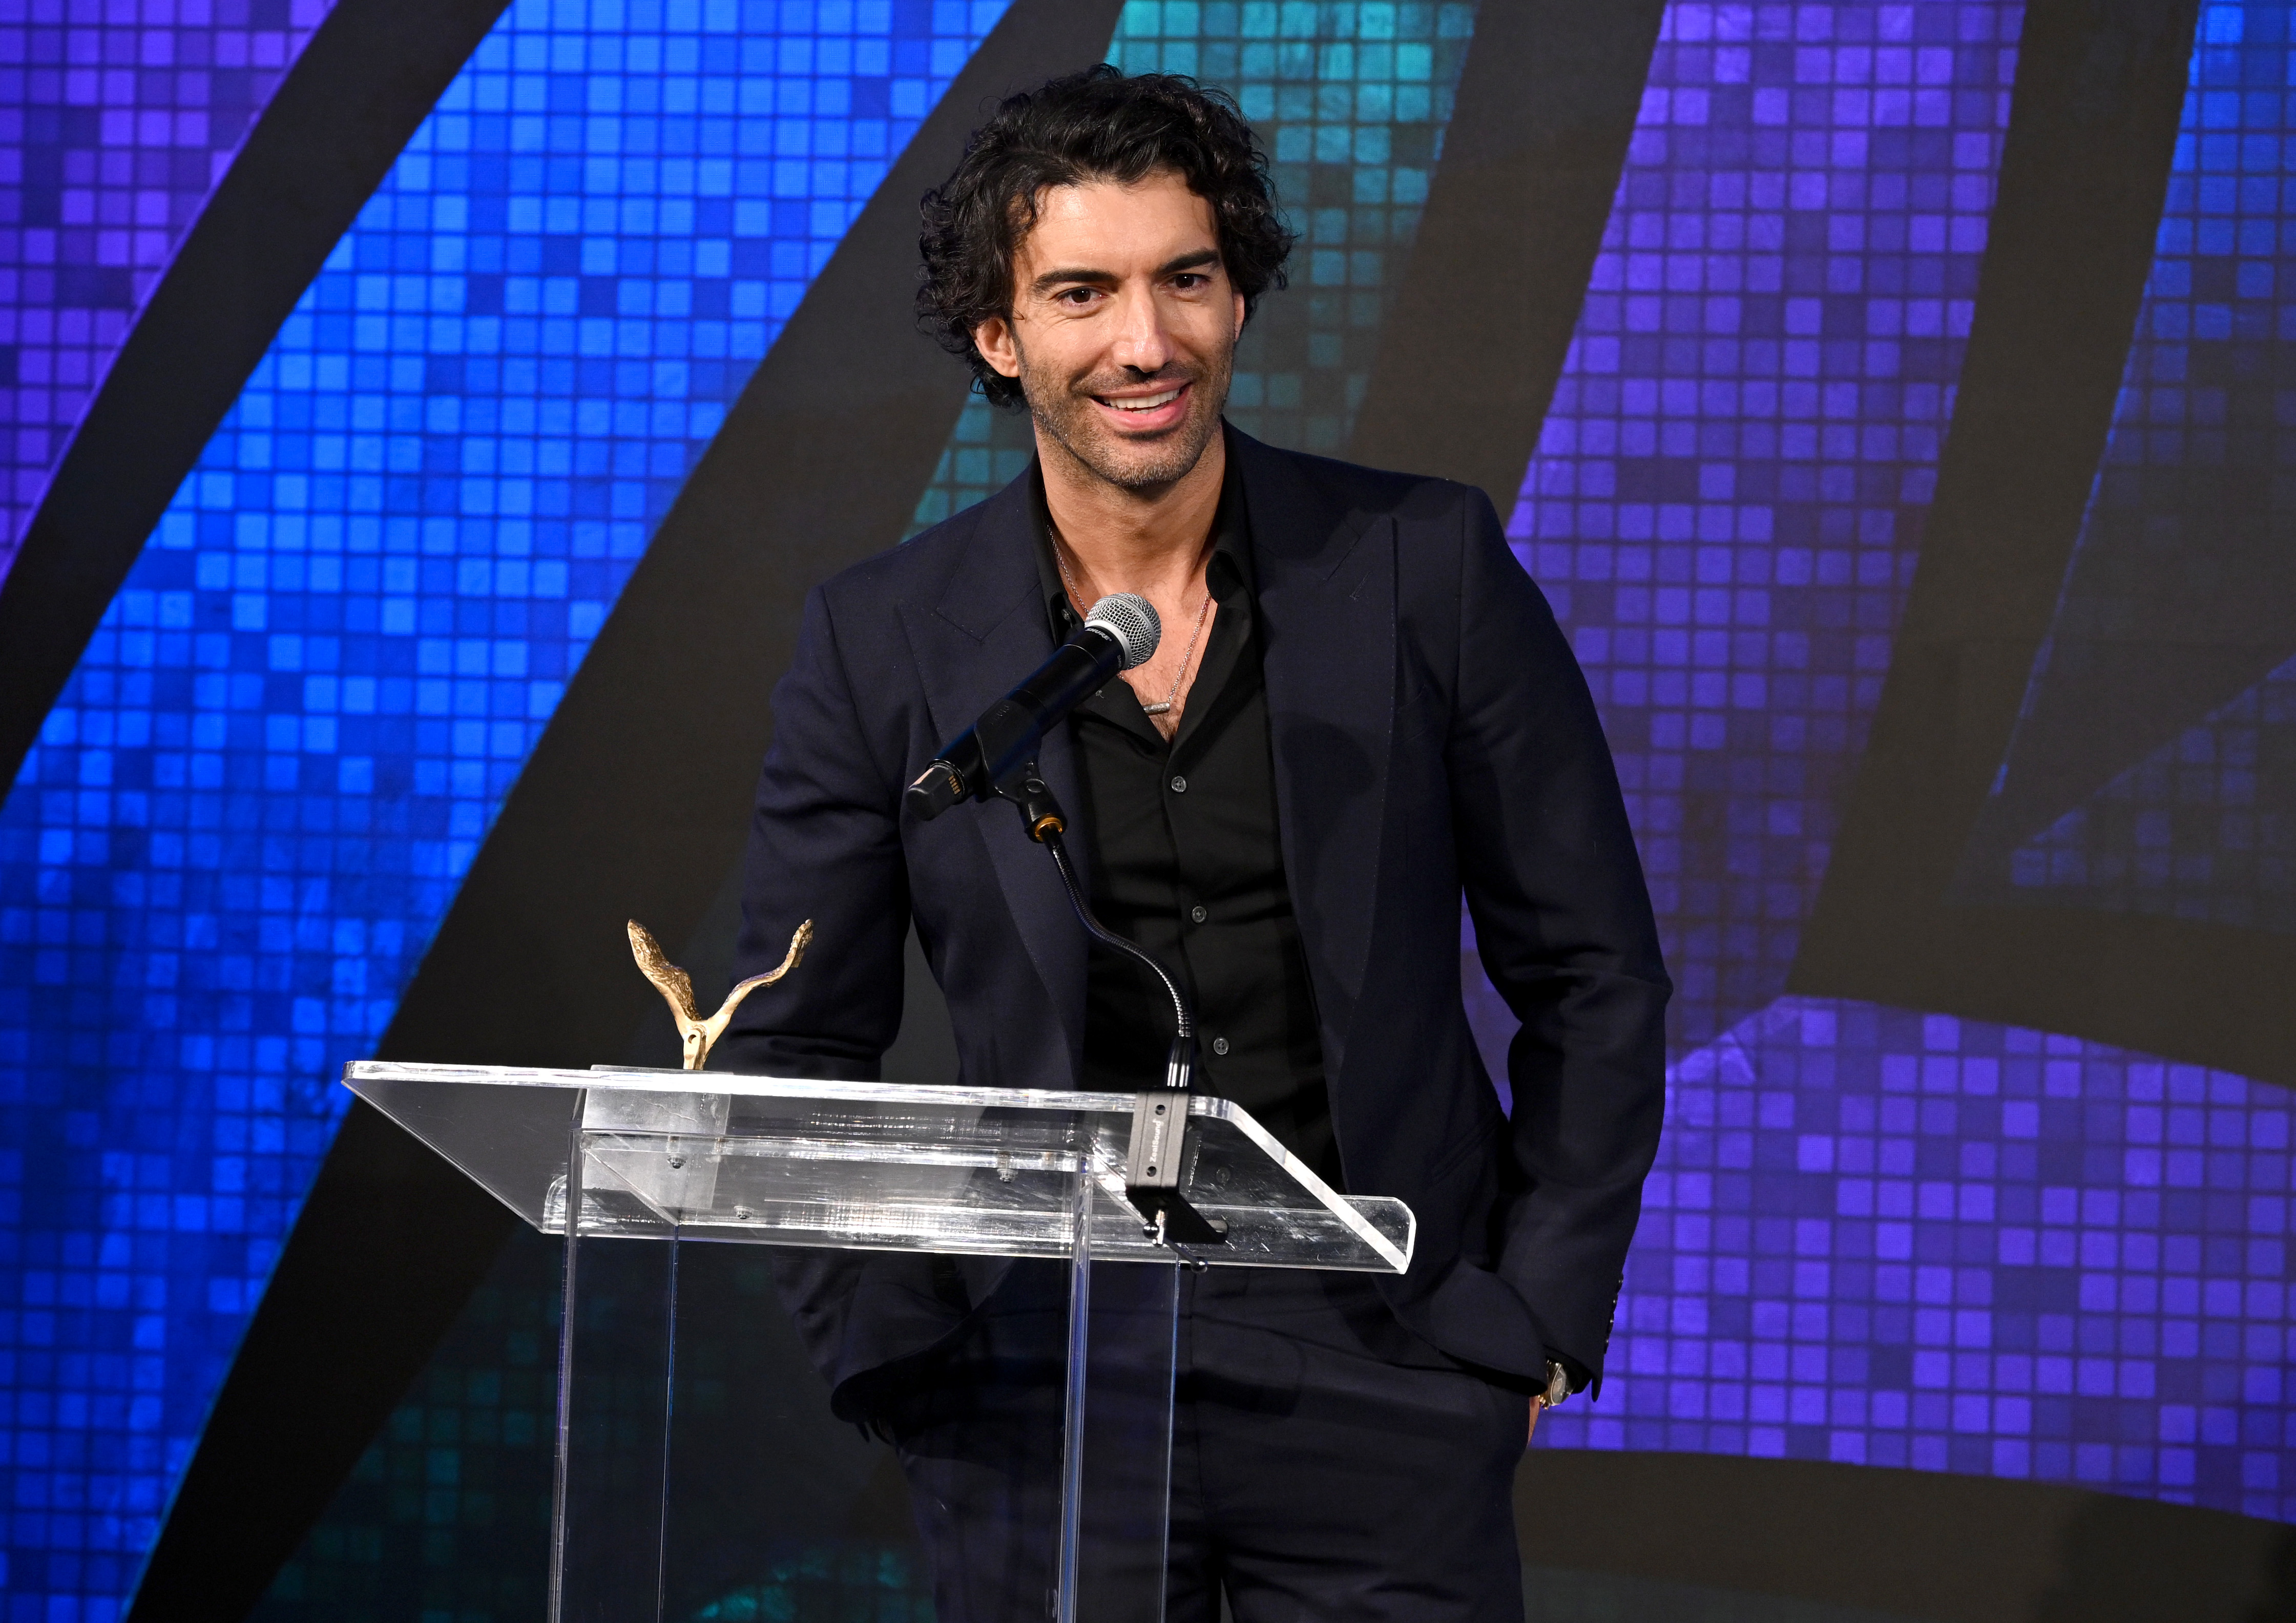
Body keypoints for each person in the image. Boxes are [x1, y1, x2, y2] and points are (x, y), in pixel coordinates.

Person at [715, 65, 1668, 1623]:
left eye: (1186, 280)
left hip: (1386, 1358)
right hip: (1035, 1383)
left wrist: (1530, 1323)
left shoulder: (1422, 566)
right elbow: (791, 1039)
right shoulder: (881, 638)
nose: (1144, 342)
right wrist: (895, 1348)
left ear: (1238, 301)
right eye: (1082, 292)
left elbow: (1593, 969)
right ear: (999, 333)